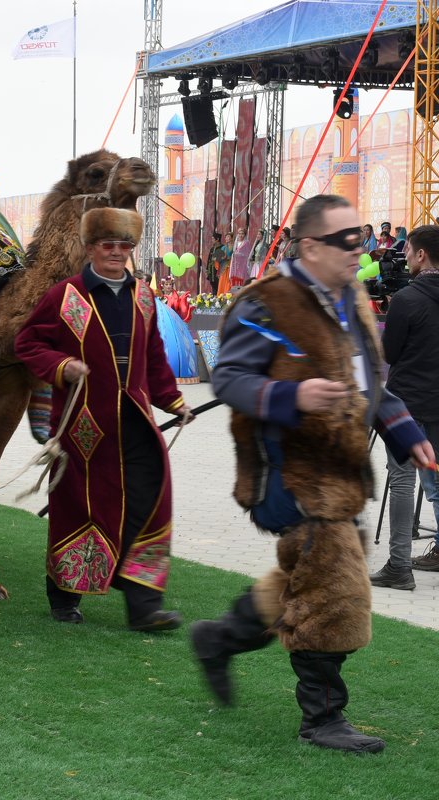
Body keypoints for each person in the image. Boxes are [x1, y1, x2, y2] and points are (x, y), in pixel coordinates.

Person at [193, 194, 433, 754]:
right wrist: (291, 394)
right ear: (309, 246)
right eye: (347, 239)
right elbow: (227, 378)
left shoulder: (351, 299)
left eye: (361, 236)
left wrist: (405, 431)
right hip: (287, 476)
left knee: (301, 579)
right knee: (335, 590)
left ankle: (217, 639)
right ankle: (323, 719)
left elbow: (372, 382)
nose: (361, 248)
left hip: (341, 474)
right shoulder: (265, 304)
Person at [14, 208, 192, 631]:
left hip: (135, 423)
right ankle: (64, 596)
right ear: (91, 247)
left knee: (148, 503)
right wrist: (61, 365)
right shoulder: (65, 296)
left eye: (124, 246)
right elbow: (28, 343)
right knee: (79, 508)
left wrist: (173, 401)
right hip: (82, 428)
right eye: (107, 245)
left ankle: (144, 606)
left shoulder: (144, 297)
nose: (116, 252)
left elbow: (153, 359)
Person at [372, 224, 439, 586]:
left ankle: (399, 565)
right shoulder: (409, 298)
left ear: (422, 254)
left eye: (409, 251)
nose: (406, 257)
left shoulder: (407, 300)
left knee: (401, 482)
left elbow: (390, 354)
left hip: (406, 405)